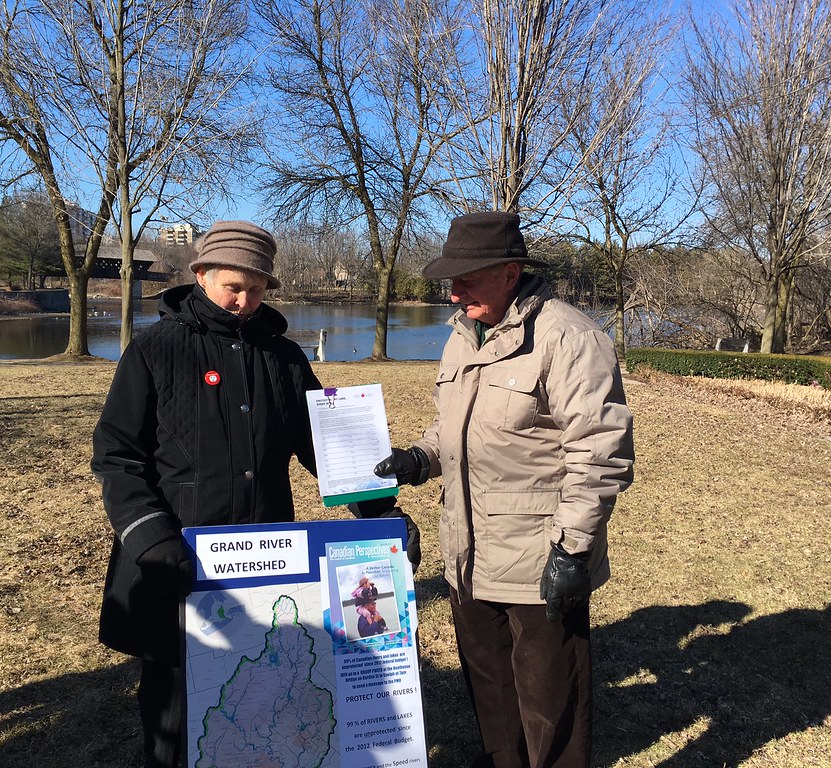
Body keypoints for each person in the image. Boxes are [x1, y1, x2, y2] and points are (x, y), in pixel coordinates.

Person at [374, 211, 634, 768]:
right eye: (452, 279)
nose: (454, 292)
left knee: (550, 702)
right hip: (466, 552)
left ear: (510, 272)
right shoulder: (463, 336)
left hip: (539, 556)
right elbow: (454, 426)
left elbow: (598, 452)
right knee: (490, 693)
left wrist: (572, 549)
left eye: (467, 279)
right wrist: (419, 458)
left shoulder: (569, 337)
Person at [91, 220, 324, 768]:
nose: (245, 302)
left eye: (257, 290)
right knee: (174, 714)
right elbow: (117, 456)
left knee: (258, 703)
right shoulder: (154, 350)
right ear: (201, 275)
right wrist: (152, 541)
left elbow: (325, 448)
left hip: (265, 563)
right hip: (176, 562)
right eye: (233, 288)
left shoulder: (287, 359)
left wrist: (380, 509)